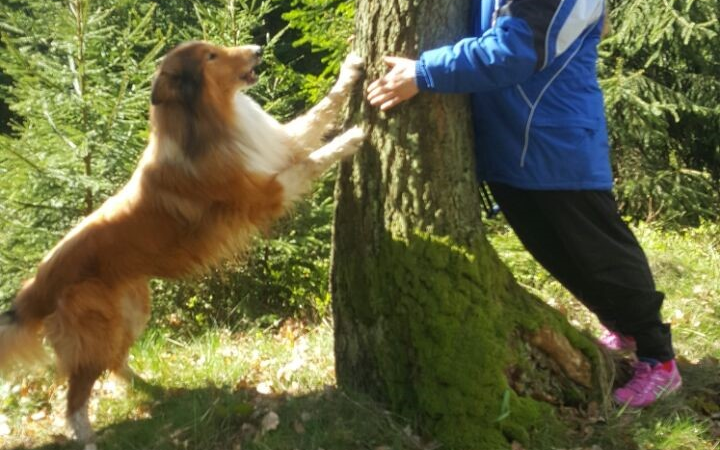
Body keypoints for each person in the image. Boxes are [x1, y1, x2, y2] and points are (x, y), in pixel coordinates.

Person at [365, 0, 681, 408]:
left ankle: (659, 359)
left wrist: (425, 71)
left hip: (558, 146)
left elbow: (516, 51)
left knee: (602, 256)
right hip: (515, 147)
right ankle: (626, 330)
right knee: (559, 255)